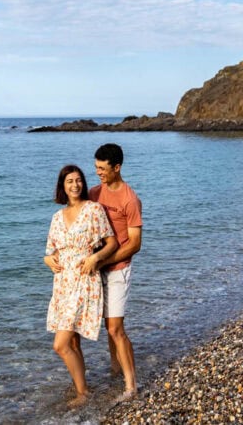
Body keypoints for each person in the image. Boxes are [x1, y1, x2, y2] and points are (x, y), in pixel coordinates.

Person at [43, 164, 118, 406]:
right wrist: (47, 260)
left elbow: (112, 243)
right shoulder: (56, 217)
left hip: (84, 280)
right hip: (62, 283)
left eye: (78, 180)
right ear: (62, 187)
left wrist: (96, 258)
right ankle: (81, 387)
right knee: (73, 342)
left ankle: (83, 394)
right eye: (69, 182)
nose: (75, 185)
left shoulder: (93, 210)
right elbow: (49, 252)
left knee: (60, 344)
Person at [89, 143, 143, 399]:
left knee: (115, 328)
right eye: (96, 167)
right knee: (107, 324)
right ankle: (115, 368)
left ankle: (131, 386)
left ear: (117, 167)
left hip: (119, 269)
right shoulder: (94, 193)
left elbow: (135, 243)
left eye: (102, 168)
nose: (98, 172)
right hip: (97, 269)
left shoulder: (129, 199)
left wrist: (106, 261)